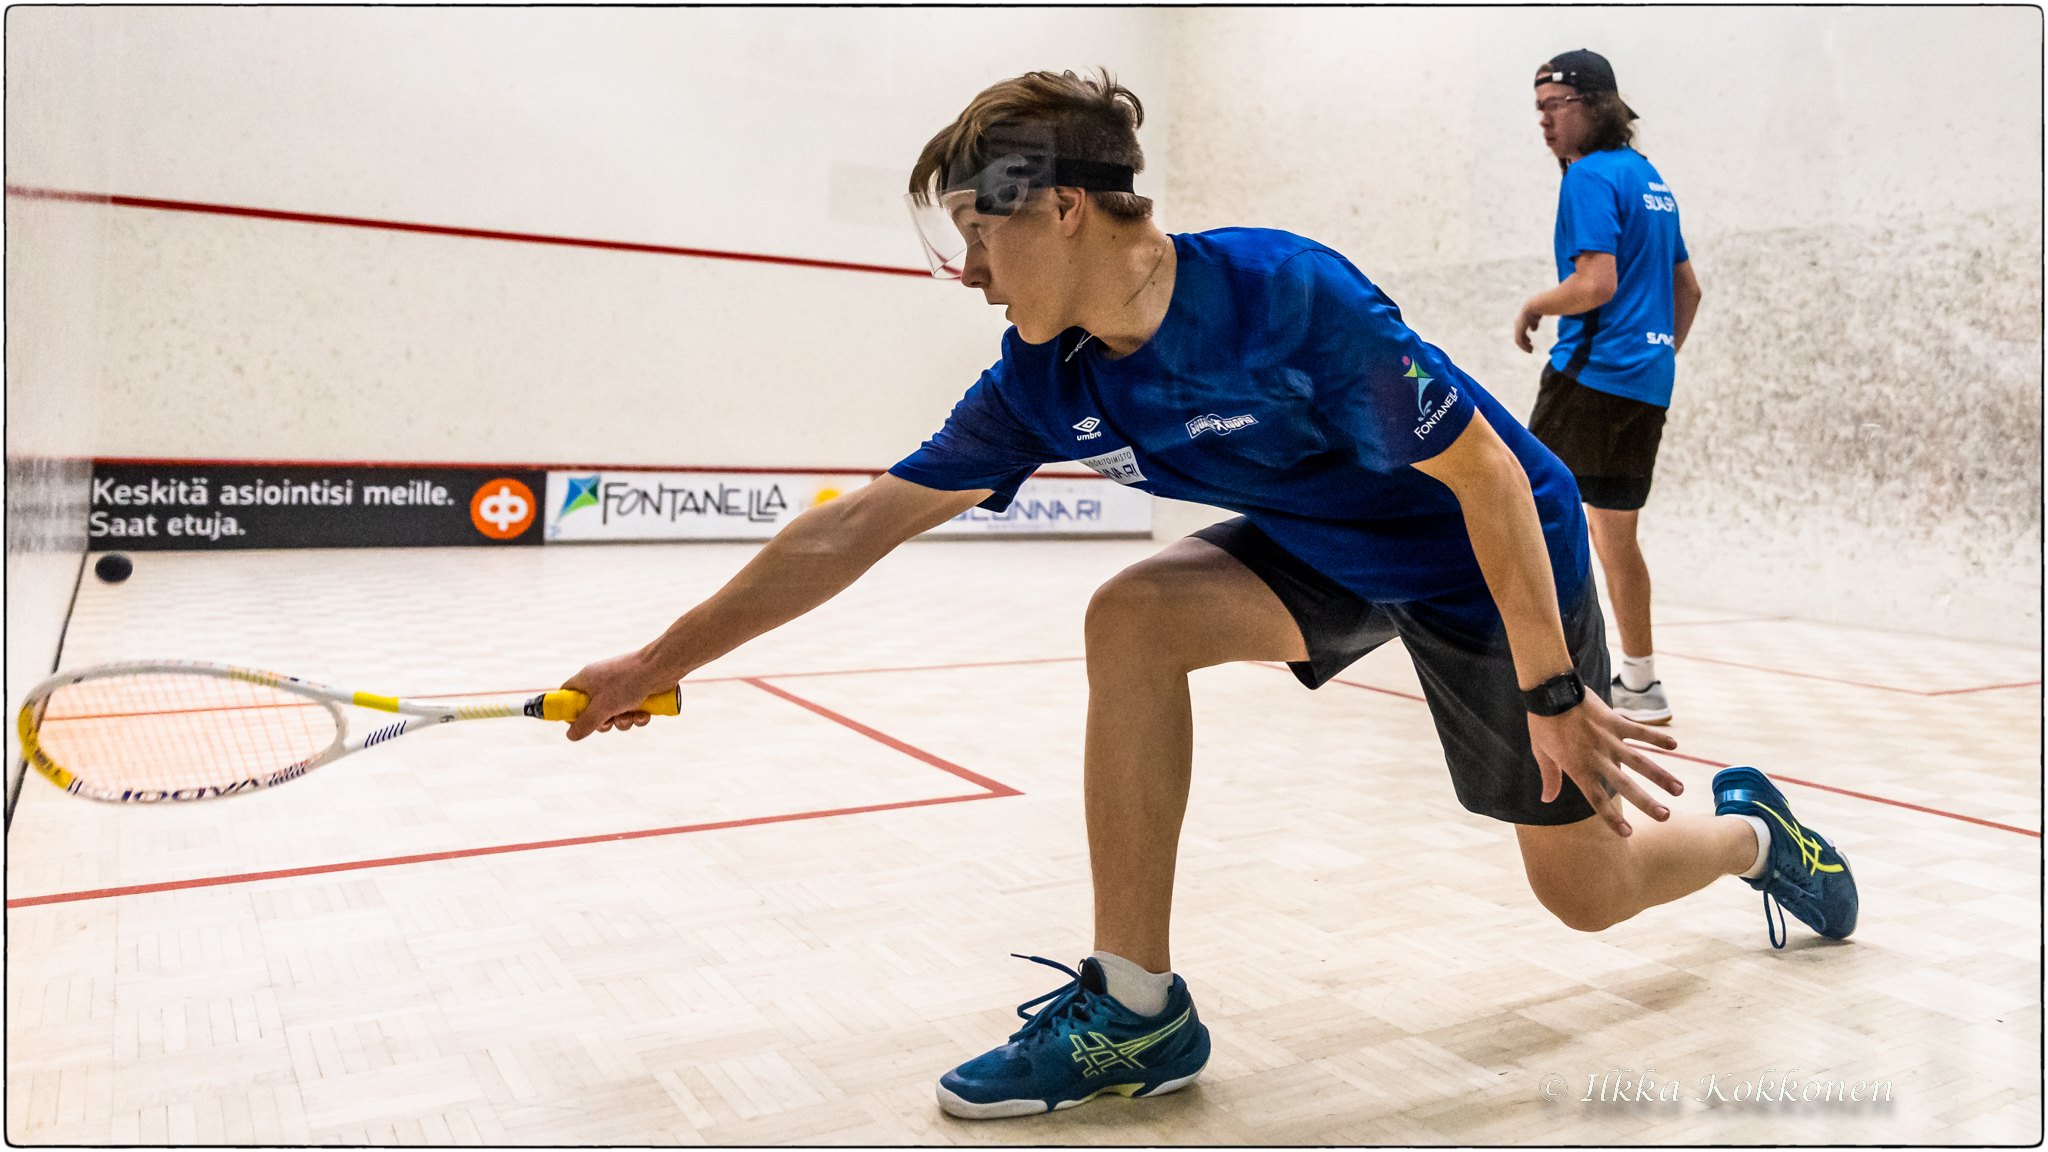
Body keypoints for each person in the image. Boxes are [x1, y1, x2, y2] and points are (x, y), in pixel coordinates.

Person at [563, 68, 1853, 1121]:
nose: (967, 270)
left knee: (1585, 896)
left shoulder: (1287, 302)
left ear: (1062, 208)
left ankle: (1754, 836)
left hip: (1480, 555)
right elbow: (855, 528)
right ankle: (1136, 1012)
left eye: (979, 230)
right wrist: (659, 661)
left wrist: (1554, 688)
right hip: (1326, 544)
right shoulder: (1043, 378)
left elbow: (1489, 480)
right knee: (1132, 616)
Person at [1514, 49, 1703, 725]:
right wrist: (1653, 359)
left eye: (1555, 107)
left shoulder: (1589, 176)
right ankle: (1641, 685)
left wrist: (1534, 304)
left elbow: (1595, 284)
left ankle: (1538, 675)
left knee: (1521, 515)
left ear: (1596, 105)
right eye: (1538, 110)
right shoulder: (1649, 179)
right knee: (1615, 535)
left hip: (1587, 379)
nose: (1544, 122)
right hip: (1645, 385)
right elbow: (1688, 291)